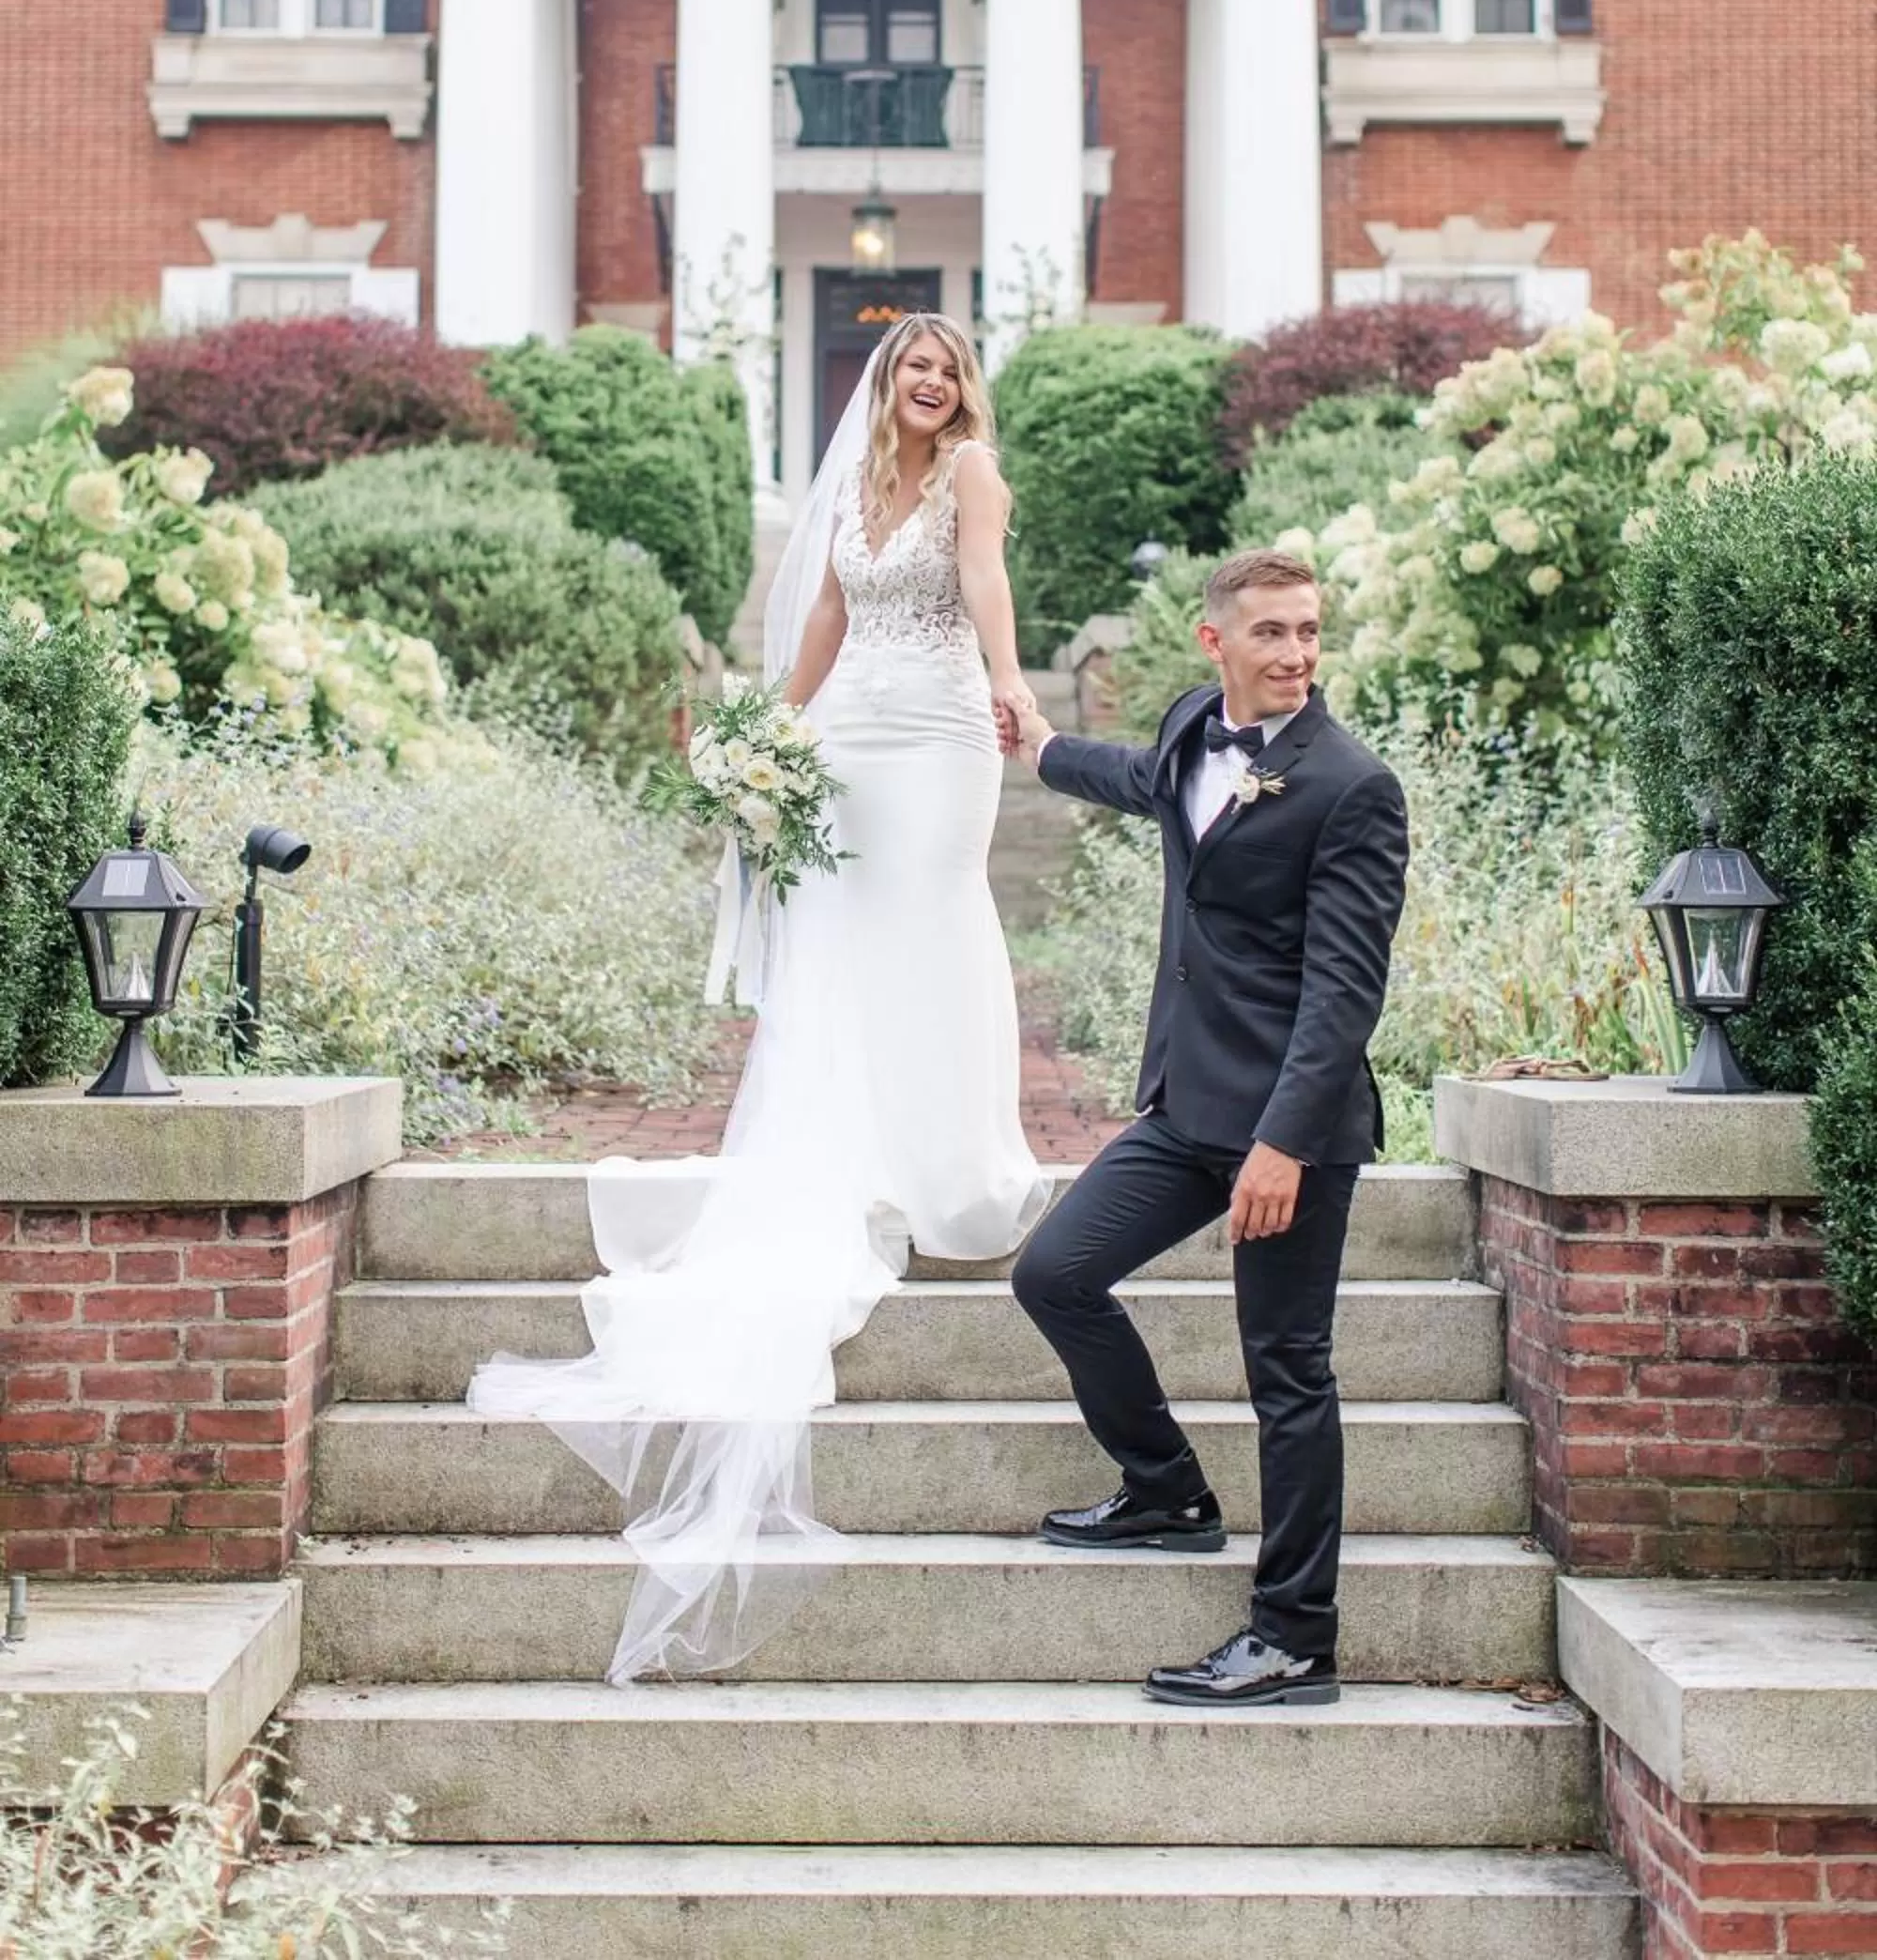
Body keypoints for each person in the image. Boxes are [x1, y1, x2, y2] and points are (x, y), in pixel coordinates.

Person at [467, 312, 1051, 1680]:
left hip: (942, 734)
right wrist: (775, 729)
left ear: (962, 392)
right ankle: (852, 1155)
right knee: (841, 941)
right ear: (885, 382)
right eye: (916, 367)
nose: (930, 384)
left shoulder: (972, 476)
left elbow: (979, 590)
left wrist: (1015, 686)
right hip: (850, 734)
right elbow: (838, 612)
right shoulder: (855, 486)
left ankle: (953, 1161)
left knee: (937, 918)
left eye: (949, 371)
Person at [1009, 546, 1409, 1710]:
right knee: (1054, 1272)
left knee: (1287, 1374)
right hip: (1189, 1105)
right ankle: (1166, 1491)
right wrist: (1036, 746)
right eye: (1271, 633)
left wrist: (1281, 1146)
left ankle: (1293, 1637)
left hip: (1292, 1127)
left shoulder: (1350, 786)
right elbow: (1144, 781)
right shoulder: (1194, 728)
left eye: (1308, 633)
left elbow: (1343, 994)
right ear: (1214, 644)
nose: (1294, 654)